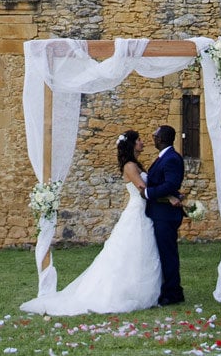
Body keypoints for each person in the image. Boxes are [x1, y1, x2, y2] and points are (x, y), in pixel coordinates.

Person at [19, 130, 162, 315]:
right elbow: (143, 189)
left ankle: (140, 289)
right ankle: (123, 292)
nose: (143, 143)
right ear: (132, 144)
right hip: (137, 211)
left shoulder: (136, 165)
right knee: (129, 251)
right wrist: (166, 194)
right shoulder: (129, 167)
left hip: (142, 211)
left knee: (140, 250)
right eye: (139, 140)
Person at [145, 125, 186, 306]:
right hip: (160, 212)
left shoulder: (171, 159)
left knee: (168, 253)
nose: (153, 137)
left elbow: (170, 184)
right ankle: (168, 288)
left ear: (161, 139)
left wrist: (148, 193)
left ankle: (173, 292)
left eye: (155, 135)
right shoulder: (164, 158)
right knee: (163, 253)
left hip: (166, 215)